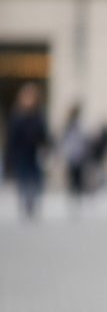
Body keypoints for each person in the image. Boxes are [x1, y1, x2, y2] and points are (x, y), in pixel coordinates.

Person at [6, 82, 48, 218]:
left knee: (36, 179)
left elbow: (43, 134)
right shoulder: (17, 115)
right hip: (21, 153)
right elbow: (12, 137)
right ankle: (25, 203)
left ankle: (33, 202)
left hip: (34, 152)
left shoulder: (38, 114)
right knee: (22, 179)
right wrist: (10, 155)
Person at [59, 104, 89, 206]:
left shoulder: (78, 125)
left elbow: (83, 140)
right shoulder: (69, 126)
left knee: (77, 177)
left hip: (77, 155)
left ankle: (77, 195)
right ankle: (74, 195)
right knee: (73, 177)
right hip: (73, 155)